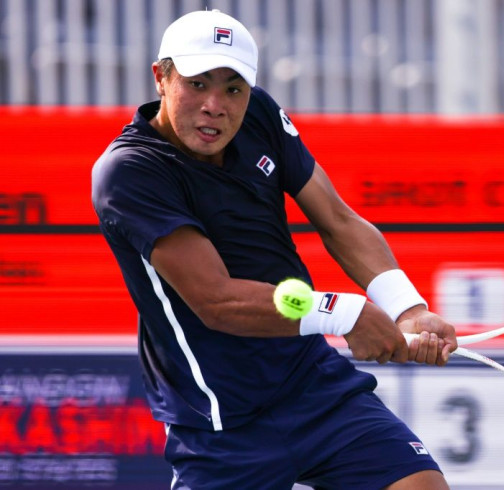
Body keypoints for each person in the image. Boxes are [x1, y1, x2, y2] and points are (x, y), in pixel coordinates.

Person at [92, 9, 457, 490]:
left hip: (314, 386)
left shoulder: (259, 115)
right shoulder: (130, 171)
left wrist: (407, 307)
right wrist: (345, 313)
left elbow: (338, 219)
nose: (215, 104)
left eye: (233, 88)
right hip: (220, 422)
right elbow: (217, 301)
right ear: (161, 77)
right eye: (198, 83)